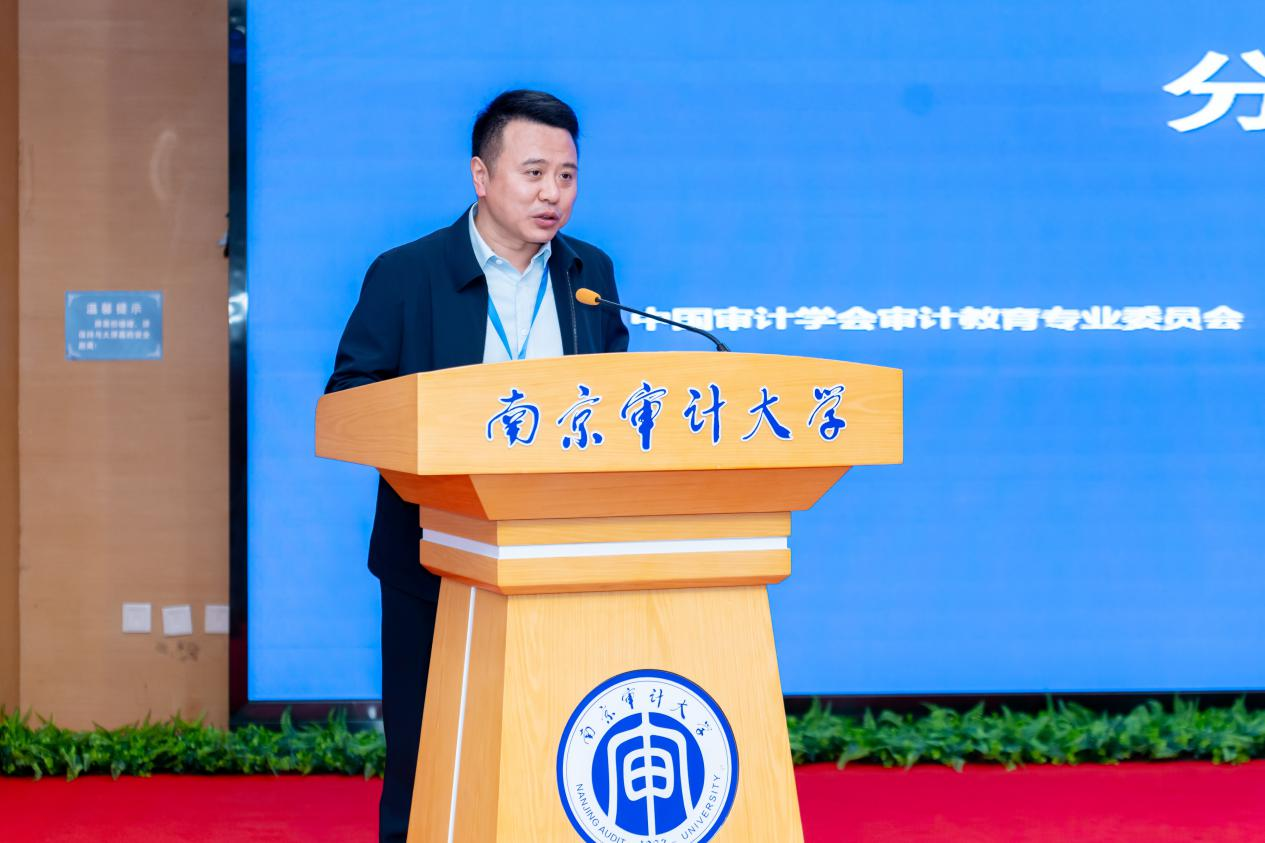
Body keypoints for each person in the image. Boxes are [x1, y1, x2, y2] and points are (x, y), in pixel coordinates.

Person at [324, 90, 629, 842]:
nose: (552, 193)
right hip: (435, 557)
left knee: (555, 743)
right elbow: (350, 397)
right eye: (534, 172)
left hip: (560, 558)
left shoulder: (589, 274)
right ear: (481, 176)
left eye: (566, 175)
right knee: (429, 753)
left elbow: (616, 401)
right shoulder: (407, 273)